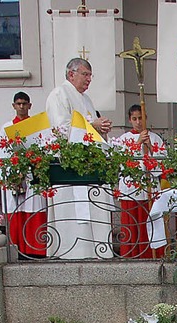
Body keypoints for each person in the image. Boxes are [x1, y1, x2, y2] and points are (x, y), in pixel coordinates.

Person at [46, 58, 113, 259]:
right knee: (73, 218)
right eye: (85, 74)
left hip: (89, 165)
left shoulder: (86, 100)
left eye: (90, 75)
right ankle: (71, 253)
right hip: (69, 167)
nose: (89, 79)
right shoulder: (59, 94)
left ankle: (96, 251)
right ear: (71, 74)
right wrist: (93, 125)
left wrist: (101, 130)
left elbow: (91, 128)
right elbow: (61, 129)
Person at [0, 92, 46, 258]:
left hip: (33, 175)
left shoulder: (37, 125)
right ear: (13, 106)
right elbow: (1, 153)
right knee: (15, 209)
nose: (21, 106)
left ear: (30, 105)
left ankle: (35, 249)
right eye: (18, 104)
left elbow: (44, 146)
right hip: (15, 176)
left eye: (24, 103)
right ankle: (18, 249)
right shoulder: (7, 127)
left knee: (34, 208)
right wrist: (7, 176)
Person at [113, 104, 165, 259]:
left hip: (150, 189)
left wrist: (150, 147)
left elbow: (161, 166)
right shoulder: (123, 139)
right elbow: (123, 163)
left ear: (146, 118)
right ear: (130, 120)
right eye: (134, 119)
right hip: (132, 189)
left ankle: (153, 254)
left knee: (150, 223)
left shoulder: (156, 138)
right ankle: (132, 254)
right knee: (132, 224)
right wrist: (137, 145)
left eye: (140, 118)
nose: (138, 122)